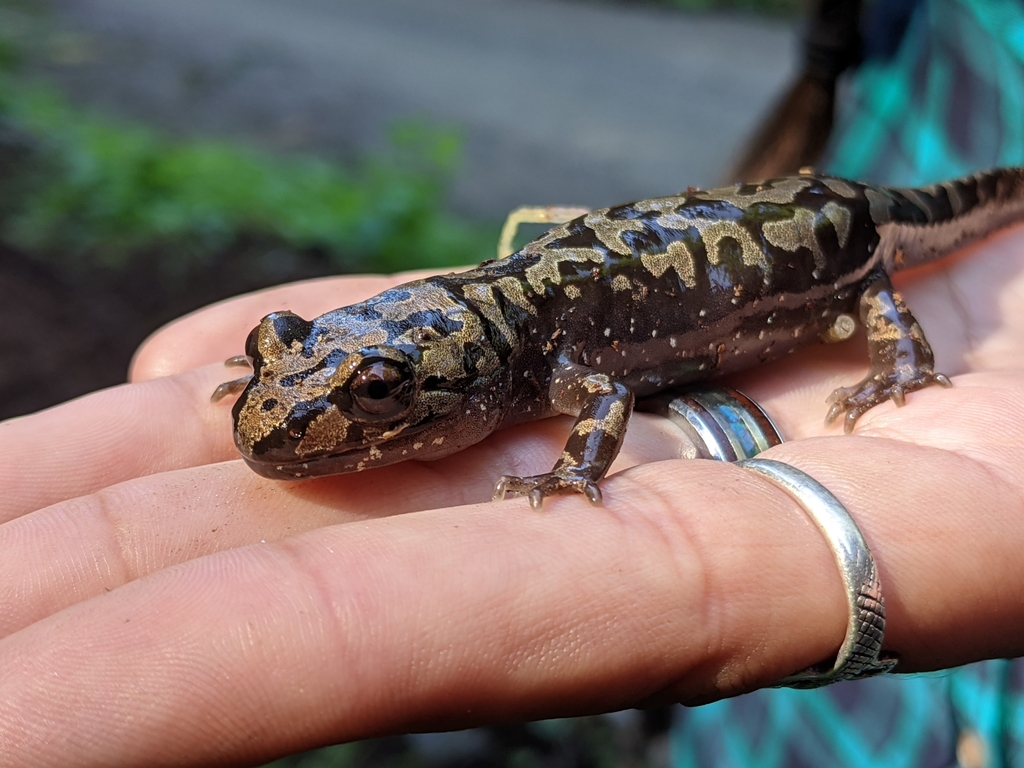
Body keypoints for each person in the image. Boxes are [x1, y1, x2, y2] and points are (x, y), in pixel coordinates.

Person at [1, 212, 1023, 764]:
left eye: (377, 391)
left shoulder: (557, 361)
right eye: (280, 353)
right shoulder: (514, 340)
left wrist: (577, 471)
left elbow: (609, 392)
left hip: (852, 237)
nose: (298, 408)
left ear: (473, 369)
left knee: (867, 293)